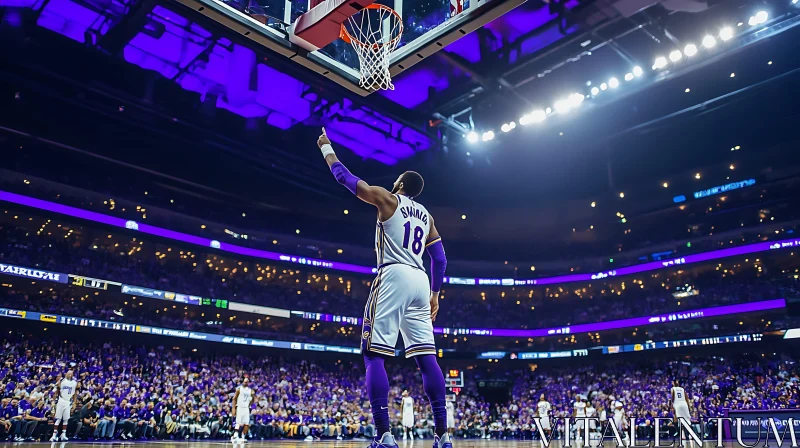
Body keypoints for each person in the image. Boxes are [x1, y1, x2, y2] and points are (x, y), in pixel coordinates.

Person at [318, 128, 451, 448]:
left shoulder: (388, 198)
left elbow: (344, 178)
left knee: (373, 355)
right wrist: (435, 294)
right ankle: (443, 436)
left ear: (401, 184)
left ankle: (384, 435)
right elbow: (441, 260)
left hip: (394, 274)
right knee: (427, 359)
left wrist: (326, 147)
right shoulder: (427, 216)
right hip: (421, 280)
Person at [50, 370, 78, 442]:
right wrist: (53, 401)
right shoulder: (62, 381)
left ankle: (63, 434)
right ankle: (54, 435)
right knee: (58, 418)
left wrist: (74, 403)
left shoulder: (74, 383)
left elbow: (75, 394)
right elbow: (56, 391)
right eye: (68, 374)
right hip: (61, 400)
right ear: (66, 374)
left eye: (71, 374)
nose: (69, 375)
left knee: (66, 419)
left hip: (68, 402)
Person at [232, 377, 254, 443]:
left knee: (246, 423)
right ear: (242, 382)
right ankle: (235, 436)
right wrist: (233, 408)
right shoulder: (239, 389)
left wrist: (248, 405)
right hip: (240, 407)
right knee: (238, 422)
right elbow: (234, 399)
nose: (246, 383)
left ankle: (242, 436)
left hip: (246, 408)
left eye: (247, 382)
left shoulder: (251, 391)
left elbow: (252, 400)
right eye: (245, 382)